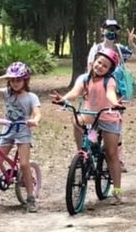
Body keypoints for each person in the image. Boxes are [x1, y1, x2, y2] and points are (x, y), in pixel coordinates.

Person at [52, 48, 125, 205]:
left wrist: (115, 103)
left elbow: (110, 93)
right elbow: (75, 92)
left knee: (111, 153)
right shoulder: (84, 78)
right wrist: (63, 99)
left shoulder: (109, 81)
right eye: (99, 62)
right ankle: (82, 153)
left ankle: (117, 190)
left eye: (105, 66)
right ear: (93, 62)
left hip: (108, 117)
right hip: (91, 117)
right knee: (76, 120)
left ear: (109, 70)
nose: (100, 67)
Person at [0, 62, 41, 213]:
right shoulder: (6, 93)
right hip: (8, 130)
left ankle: (30, 198)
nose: (15, 83)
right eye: (12, 80)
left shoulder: (31, 97)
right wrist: (3, 77)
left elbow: (37, 113)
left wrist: (35, 120)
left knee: (24, 164)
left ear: (25, 80)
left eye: (18, 80)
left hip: (23, 131)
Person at [87, 19, 136, 172]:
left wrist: (132, 43)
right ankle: (91, 155)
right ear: (102, 30)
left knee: (116, 127)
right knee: (94, 126)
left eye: (115, 29)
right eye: (108, 29)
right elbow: (90, 69)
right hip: (98, 93)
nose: (112, 32)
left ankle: (118, 159)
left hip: (116, 94)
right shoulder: (96, 49)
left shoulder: (119, 48)